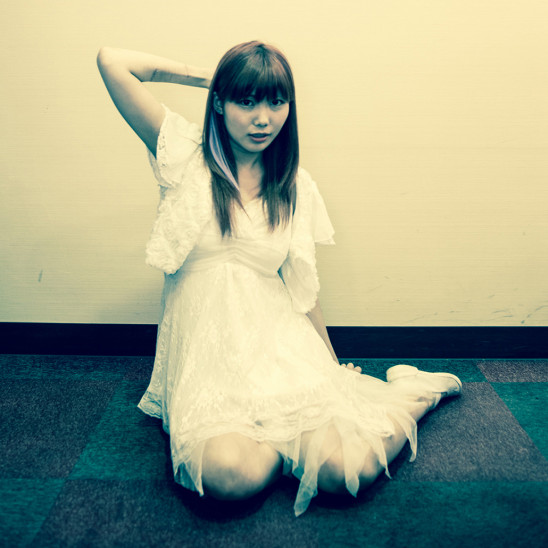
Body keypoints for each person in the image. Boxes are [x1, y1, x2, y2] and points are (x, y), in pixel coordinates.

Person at [96, 41, 462, 516]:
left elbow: (303, 291)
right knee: (227, 476)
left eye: (276, 101)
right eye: (247, 101)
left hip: (278, 349)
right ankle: (288, 442)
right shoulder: (183, 153)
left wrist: (331, 366)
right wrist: (213, 78)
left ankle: (415, 393)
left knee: (347, 471)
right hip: (210, 366)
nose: (263, 119)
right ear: (220, 103)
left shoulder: (295, 186)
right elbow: (113, 62)